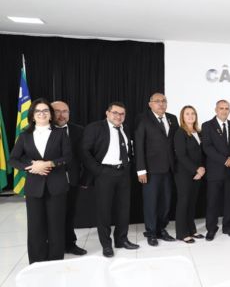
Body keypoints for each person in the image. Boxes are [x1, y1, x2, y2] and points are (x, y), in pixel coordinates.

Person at [10, 99, 72, 264]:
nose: (42, 113)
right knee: (35, 226)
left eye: (45, 110)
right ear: (32, 115)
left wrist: (49, 163)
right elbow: (13, 159)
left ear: (50, 115)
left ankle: (55, 261)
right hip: (34, 187)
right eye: (38, 111)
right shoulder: (24, 135)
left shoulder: (60, 133)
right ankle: (37, 262)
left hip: (57, 186)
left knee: (56, 225)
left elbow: (67, 156)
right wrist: (31, 166)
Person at [81, 101, 139, 258]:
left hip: (123, 173)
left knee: (123, 209)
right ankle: (106, 244)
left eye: (122, 114)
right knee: (104, 211)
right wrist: (98, 171)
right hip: (104, 173)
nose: (118, 116)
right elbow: (85, 151)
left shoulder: (126, 128)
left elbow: (130, 149)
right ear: (107, 113)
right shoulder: (95, 128)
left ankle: (121, 240)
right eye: (115, 113)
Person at [135, 93, 179, 246]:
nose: (161, 104)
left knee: (166, 202)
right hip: (151, 169)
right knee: (151, 203)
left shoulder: (173, 118)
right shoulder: (143, 119)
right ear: (150, 104)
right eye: (157, 101)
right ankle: (151, 232)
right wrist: (141, 170)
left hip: (169, 169)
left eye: (164, 101)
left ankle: (161, 229)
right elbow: (139, 145)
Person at [51, 100, 87, 255]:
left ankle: (70, 244)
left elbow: (85, 156)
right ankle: (53, 245)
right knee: (53, 215)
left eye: (65, 111)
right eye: (57, 111)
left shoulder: (79, 130)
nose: (61, 115)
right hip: (50, 181)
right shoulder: (44, 131)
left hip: (72, 179)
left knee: (70, 213)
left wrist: (84, 178)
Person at [201, 100, 230, 241]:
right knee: (213, 202)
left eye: (226, 108)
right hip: (215, 170)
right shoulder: (207, 125)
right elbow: (207, 147)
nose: (224, 111)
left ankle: (228, 227)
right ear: (216, 110)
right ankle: (211, 228)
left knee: (229, 201)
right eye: (221, 108)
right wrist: (224, 160)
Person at [173, 105, 206, 243]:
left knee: (192, 203)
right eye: (187, 114)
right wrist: (196, 169)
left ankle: (192, 230)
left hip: (198, 173)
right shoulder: (180, 132)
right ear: (182, 116)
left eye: (193, 113)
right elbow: (181, 156)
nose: (190, 116)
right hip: (184, 173)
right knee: (184, 202)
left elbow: (202, 153)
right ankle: (182, 233)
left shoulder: (198, 132)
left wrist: (202, 169)